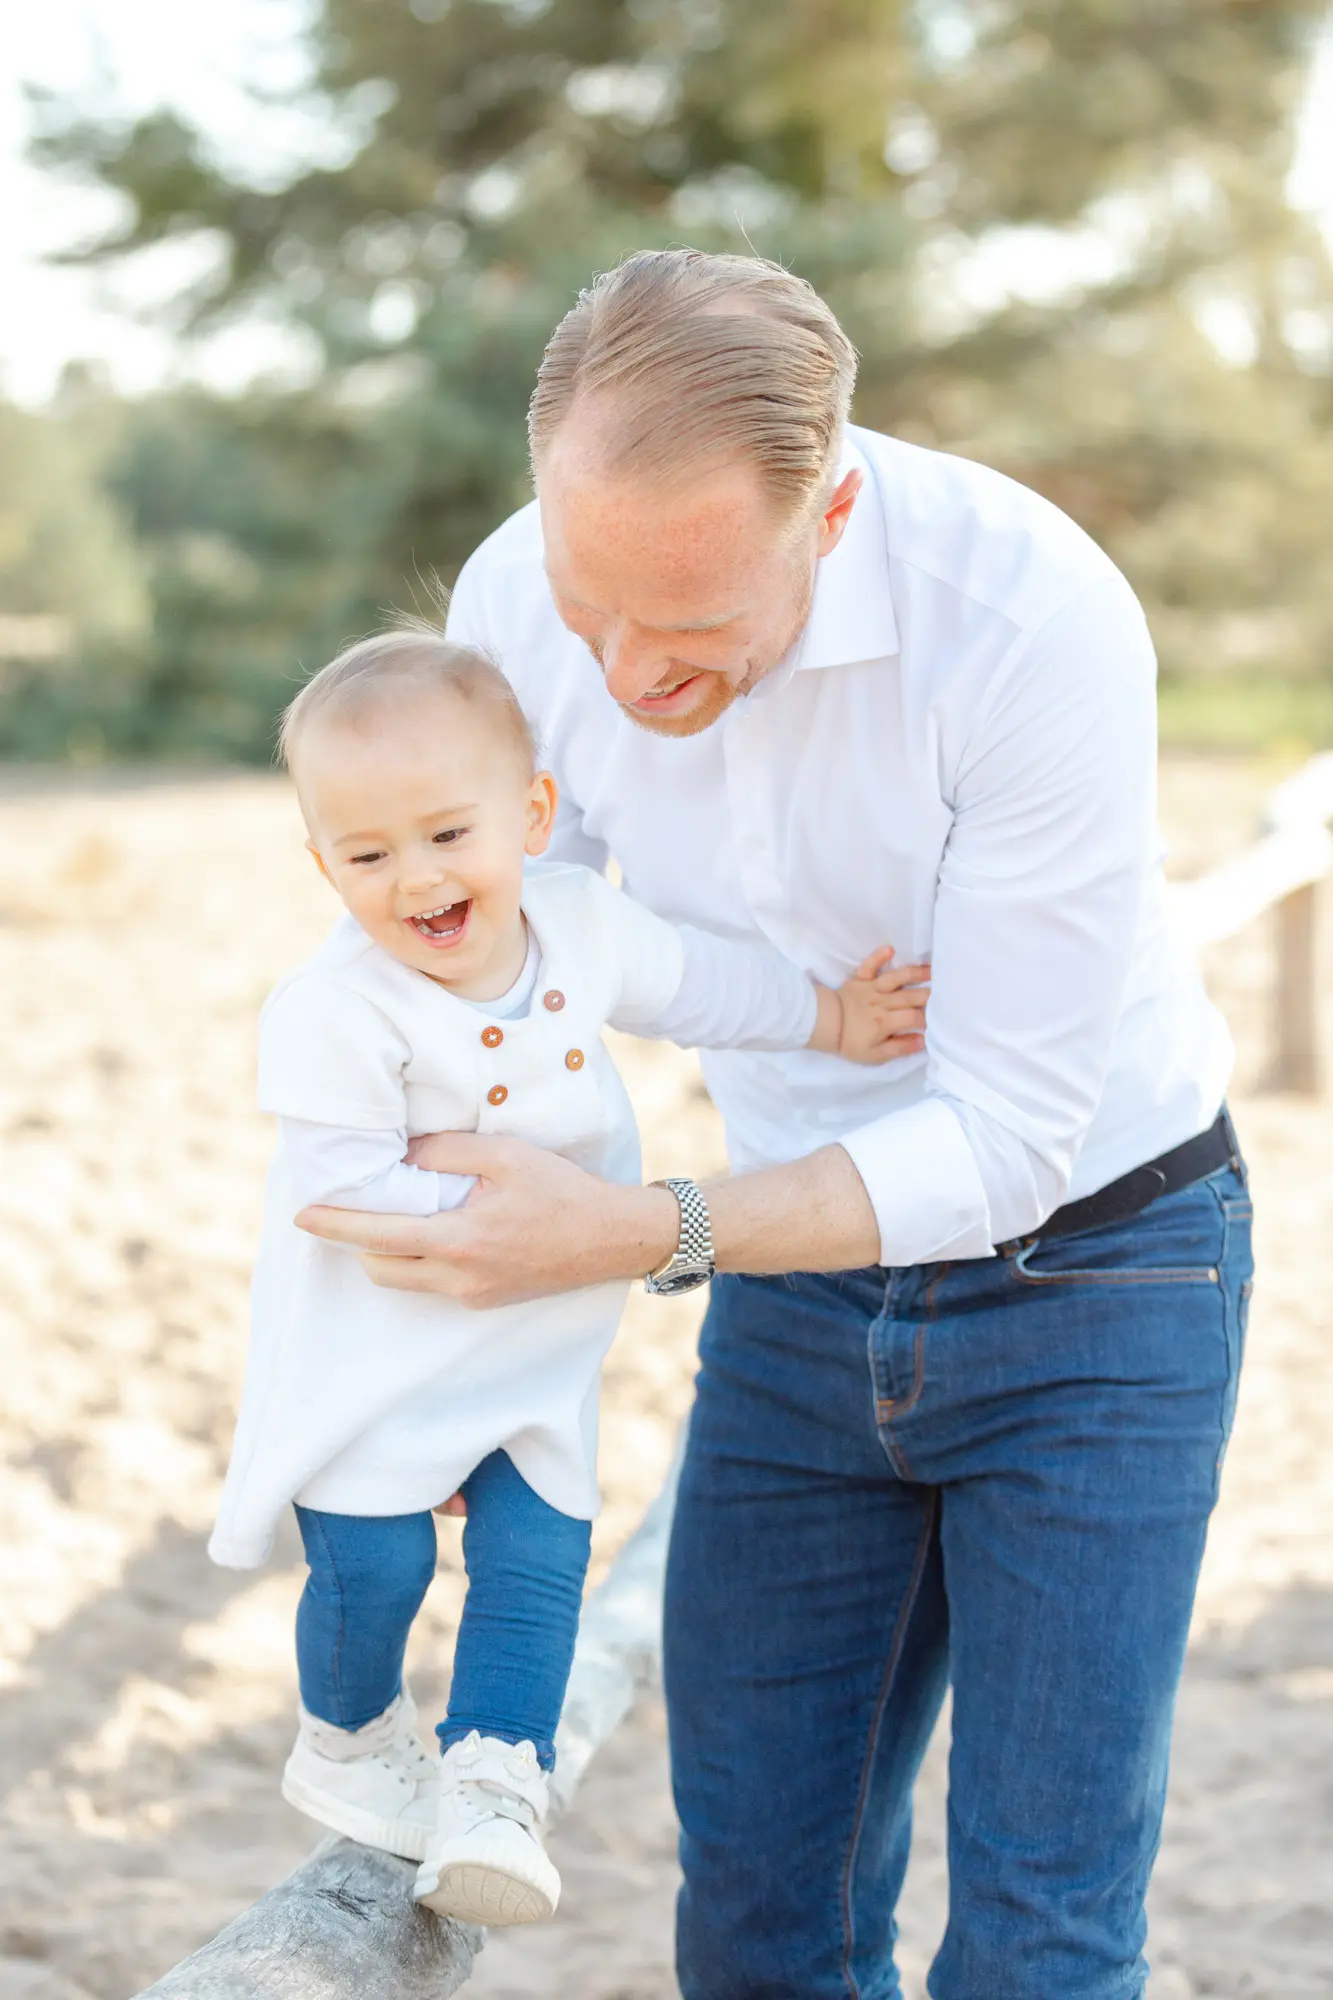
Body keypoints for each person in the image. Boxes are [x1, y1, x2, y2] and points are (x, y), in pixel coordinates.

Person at [299, 252, 1254, 1997]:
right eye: (597, 616)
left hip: (1105, 1281)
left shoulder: (1033, 619)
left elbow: (1011, 1140)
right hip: (796, 1297)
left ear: (833, 510)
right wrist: (439, 1375)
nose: (629, 678)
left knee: (1041, 1936)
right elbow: (516, 984)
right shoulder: (528, 592)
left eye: (694, 629)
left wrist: (649, 1230)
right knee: (754, 1924)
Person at [209, 627, 924, 1931]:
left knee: (539, 1556)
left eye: (446, 834)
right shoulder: (334, 1009)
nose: (414, 877)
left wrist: (833, 1017)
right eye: (367, 856)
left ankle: (494, 1779)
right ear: (323, 866)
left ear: (532, 816)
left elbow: (708, 984)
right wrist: (496, 1205)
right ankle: (353, 1732)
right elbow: (339, 1190)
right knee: (371, 1572)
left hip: (534, 1344)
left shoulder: (581, 927)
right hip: (381, 1353)